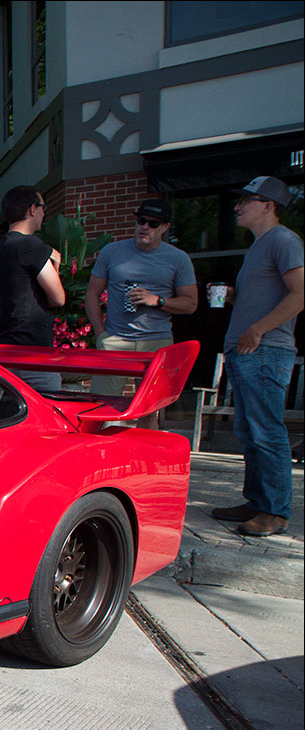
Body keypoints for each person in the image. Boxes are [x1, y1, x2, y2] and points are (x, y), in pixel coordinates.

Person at [208, 176, 303, 538]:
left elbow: (300, 294)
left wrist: (258, 329)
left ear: (268, 206)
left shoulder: (283, 240)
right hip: (248, 352)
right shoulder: (260, 247)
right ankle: (257, 501)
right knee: (249, 432)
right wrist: (235, 299)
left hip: (265, 351)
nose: (237, 206)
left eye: (247, 200)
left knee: (267, 432)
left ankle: (275, 512)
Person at [84, 198, 198, 405]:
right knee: (100, 405)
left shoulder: (178, 259)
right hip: (114, 341)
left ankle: (145, 438)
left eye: (153, 224)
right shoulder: (112, 252)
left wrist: (158, 300)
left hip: (157, 343)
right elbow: (92, 293)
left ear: (165, 227)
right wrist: (101, 333)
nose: (145, 227)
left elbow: (190, 304)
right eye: (141, 221)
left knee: (150, 408)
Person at [0, 185, 64, 393]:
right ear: (32, 209)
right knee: (49, 415)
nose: (43, 213)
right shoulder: (31, 245)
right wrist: (55, 266)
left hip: (7, 348)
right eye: (42, 208)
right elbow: (58, 298)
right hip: (33, 352)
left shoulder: (3, 247)